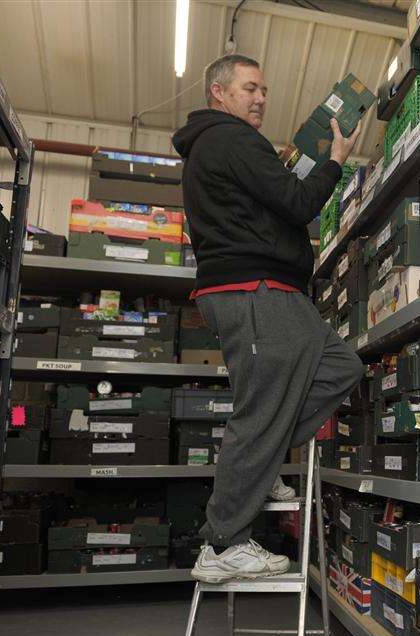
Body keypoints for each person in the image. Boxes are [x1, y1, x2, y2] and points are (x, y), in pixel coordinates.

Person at [171, 54, 364, 583]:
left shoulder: (222, 147)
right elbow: (300, 203)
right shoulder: (230, 139)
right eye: (250, 88)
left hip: (274, 293)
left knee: (341, 365)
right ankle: (223, 543)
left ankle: (264, 462)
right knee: (258, 414)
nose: (260, 98)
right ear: (220, 92)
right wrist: (335, 161)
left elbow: (269, 202)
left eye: (263, 89)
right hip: (253, 291)